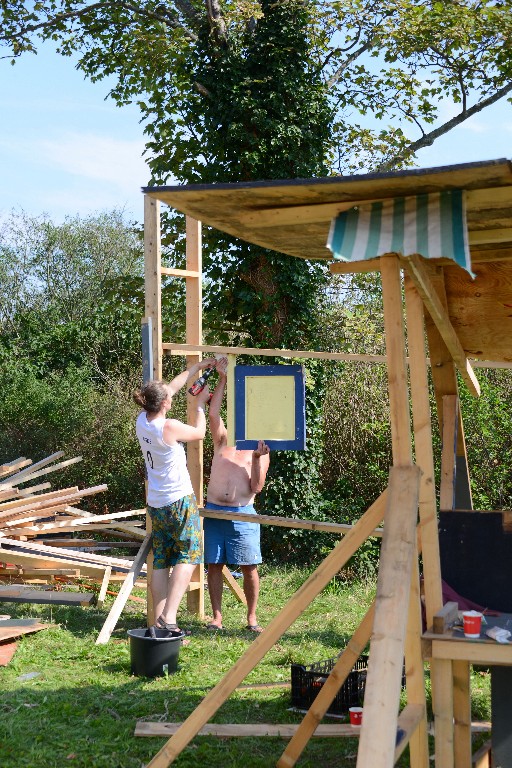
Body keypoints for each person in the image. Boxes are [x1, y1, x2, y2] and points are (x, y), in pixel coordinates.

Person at [133, 358, 217, 635]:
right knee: (188, 556)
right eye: (168, 397)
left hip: (157, 502)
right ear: (165, 404)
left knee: (161, 560)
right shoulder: (169, 427)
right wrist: (201, 406)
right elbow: (201, 433)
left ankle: (158, 622)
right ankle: (169, 619)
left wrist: (198, 368)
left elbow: (172, 387)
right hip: (178, 500)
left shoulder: (143, 420)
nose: (171, 396)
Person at [204, 357, 270, 632]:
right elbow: (213, 415)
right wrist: (222, 379)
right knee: (214, 565)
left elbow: (257, 487)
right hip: (214, 511)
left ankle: (251, 618)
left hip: (243, 513)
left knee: (249, 566)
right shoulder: (223, 439)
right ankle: (217, 618)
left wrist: (255, 458)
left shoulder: (262, 447)